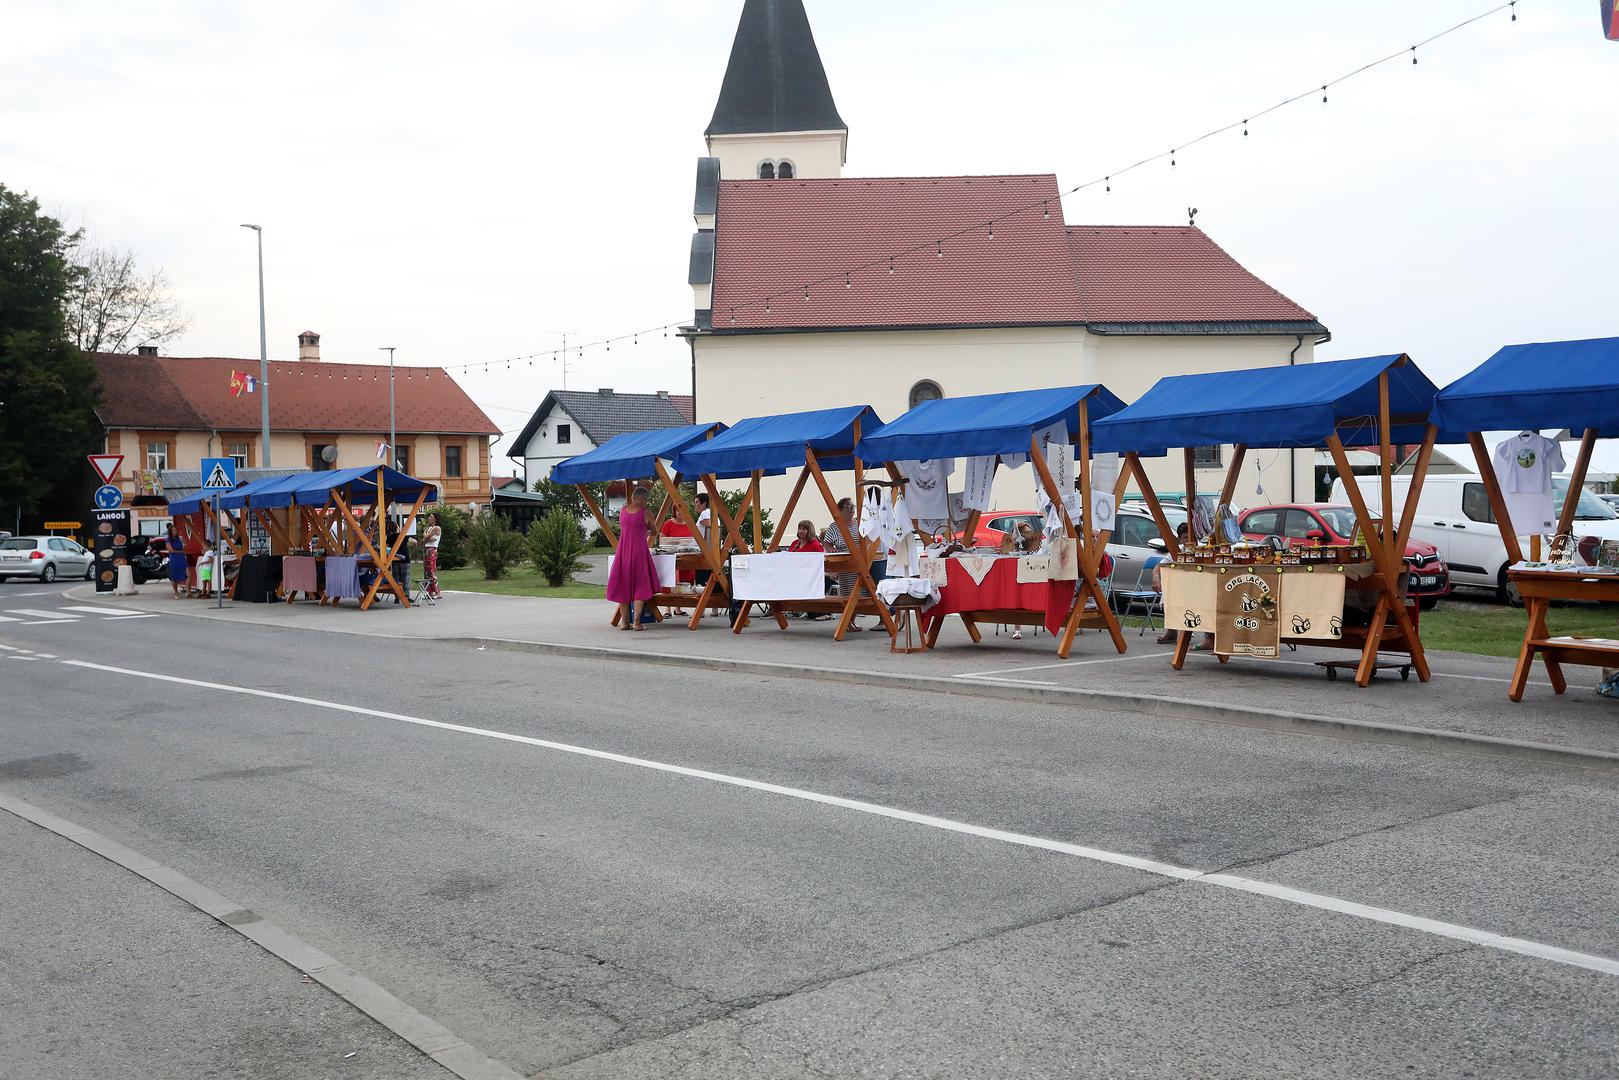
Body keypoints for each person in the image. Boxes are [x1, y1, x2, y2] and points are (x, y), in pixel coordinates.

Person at [606, 486, 663, 631]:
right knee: (641, 585)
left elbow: (627, 527)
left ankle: (625, 622)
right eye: (646, 500)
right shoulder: (647, 513)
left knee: (623, 585)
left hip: (623, 551)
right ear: (642, 499)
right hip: (639, 552)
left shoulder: (622, 511)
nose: (646, 502)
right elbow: (654, 531)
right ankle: (637, 622)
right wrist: (649, 528)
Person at [821, 498, 867, 631]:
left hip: (859, 563)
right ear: (840, 510)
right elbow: (827, 542)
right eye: (847, 506)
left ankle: (851, 621)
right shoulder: (835, 526)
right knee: (848, 594)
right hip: (845, 565)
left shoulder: (859, 524)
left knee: (859, 595)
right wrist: (830, 549)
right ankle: (847, 622)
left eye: (852, 506)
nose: (851, 509)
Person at [421, 512, 442, 601]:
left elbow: (426, 538)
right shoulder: (428, 528)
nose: (429, 518)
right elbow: (425, 539)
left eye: (431, 517)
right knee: (426, 571)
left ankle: (437, 592)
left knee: (431, 571)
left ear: (435, 519)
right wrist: (427, 538)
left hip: (432, 550)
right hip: (426, 549)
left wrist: (426, 537)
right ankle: (430, 592)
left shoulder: (437, 528)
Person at [165, 525, 188, 598]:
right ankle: (176, 592)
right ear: (170, 532)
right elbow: (171, 550)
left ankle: (185, 589)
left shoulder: (179, 538)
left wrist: (183, 544)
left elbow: (184, 545)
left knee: (183, 572)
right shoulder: (168, 539)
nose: (175, 532)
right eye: (173, 530)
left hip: (181, 557)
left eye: (176, 530)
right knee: (174, 575)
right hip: (174, 558)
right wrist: (180, 552)